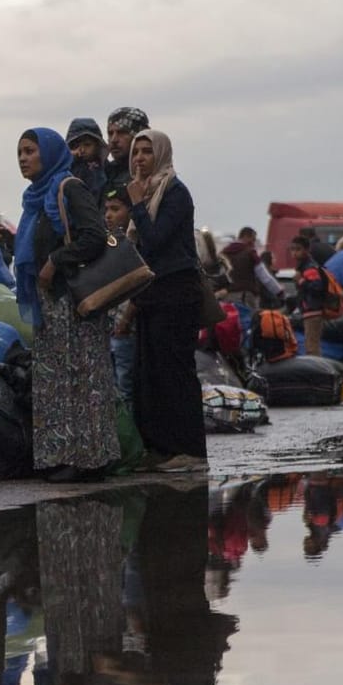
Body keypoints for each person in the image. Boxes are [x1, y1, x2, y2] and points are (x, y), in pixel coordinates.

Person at [14, 128, 119, 483]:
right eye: (20, 153)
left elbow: (95, 235)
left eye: (30, 151)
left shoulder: (68, 187)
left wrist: (55, 260)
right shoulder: (33, 199)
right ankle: (61, 455)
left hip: (75, 304)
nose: (24, 158)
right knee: (56, 384)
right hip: (50, 305)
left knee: (81, 381)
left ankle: (89, 458)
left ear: (49, 152)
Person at [128, 129, 208, 473]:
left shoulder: (174, 191)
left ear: (161, 154)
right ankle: (161, 448)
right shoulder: (145, 191)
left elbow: (156, 241)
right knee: (151, 374)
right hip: (152, 295)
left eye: (147, 152)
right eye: (137, 152)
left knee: (176, 373)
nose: (140, 158)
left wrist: (137, 206)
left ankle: (189, 450)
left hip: (176, 294)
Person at [104, 194, 140, 402]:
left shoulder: (133, 244)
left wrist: (125, 320)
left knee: (126, 386)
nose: (108, 215)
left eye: (115, 209)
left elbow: (137, 288)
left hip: (126, 329)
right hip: (112, 327)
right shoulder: (111, 243)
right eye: (107, 209)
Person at [222, 226, 284, 309]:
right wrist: (279, 292)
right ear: (246, 237)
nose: (254, 243)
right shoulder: (250, 254)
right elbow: (264, 277)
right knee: (247, 320)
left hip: (226, 298)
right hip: (245, 297)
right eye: (253, 239)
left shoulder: (224, 253)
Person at [290, 235, 330, 358]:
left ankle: (317, 374)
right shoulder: (302, 266)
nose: (295, 253)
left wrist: (301, 281)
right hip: (308, 309)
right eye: (292, 249)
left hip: (313, 310)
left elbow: (317, 287)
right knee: (310, 345)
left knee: (312, 348)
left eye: (298, 249)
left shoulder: (309, 267)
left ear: (307, 250)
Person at [102, 107, 149, 204]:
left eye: (122, 133)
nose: (114, 140)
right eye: (110, 133)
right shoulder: (104, 173)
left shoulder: (151, 176)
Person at [65, 117, 106, 198]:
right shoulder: (66, 169)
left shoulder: (106, 168)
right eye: (76, 146)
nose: (82, 150)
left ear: (97, 146)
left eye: (87, 145)